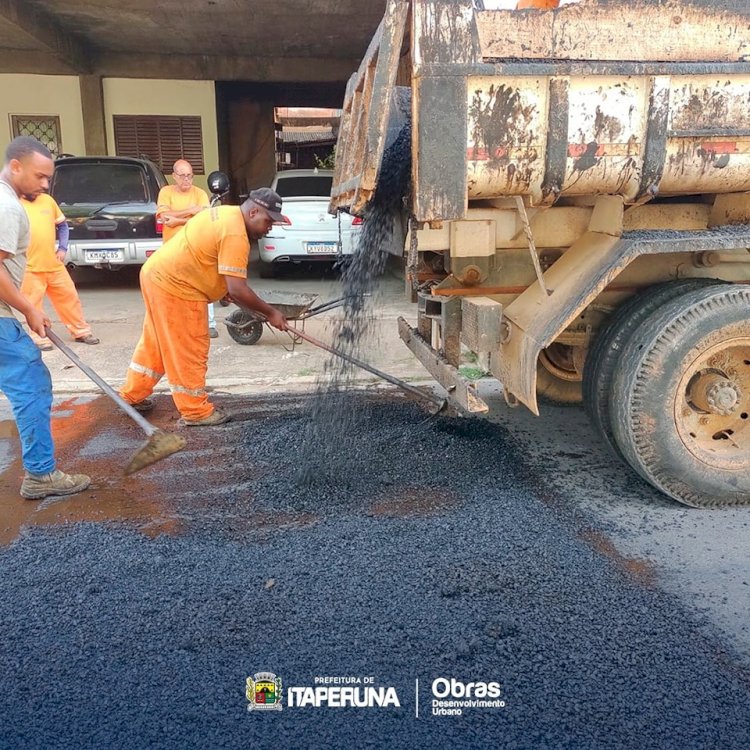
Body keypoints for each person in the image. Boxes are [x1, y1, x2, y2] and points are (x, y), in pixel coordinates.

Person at [119, 187, 289, 426]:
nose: (269, 227)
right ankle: (195, 411)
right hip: (178, 287)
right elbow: (238, 289)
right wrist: (271, 313)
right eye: (268, 221)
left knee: (157, 342)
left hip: (156, 274)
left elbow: (215, 267)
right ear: (253, 212)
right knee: (189, 347)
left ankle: (131, 395)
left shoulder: (224, 213)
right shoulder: (235, 234)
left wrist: (222, 290)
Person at [0, 136, 90, 499]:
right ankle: (40, 474)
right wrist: (27, 308)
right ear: (16, 166)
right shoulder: (7, 207)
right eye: (39, 176)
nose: (44, 185)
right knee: (31, 383)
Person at [20, 191, 99, 351]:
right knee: (33, 304)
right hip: (29, 267)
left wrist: (62, 248)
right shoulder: (14, 203)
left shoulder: (48, 200)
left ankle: (80, 331)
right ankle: (39, 336)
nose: (42, 185)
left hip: (54, 263)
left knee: (69, 297)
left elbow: (62, 226)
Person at [156, 159, 219, 338]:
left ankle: (210, 324)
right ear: (174, 176)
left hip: (196, 248)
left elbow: (205, 218)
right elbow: (164, 216)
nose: (187, 179)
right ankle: (176, 325)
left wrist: (178, 220)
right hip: (172, 251)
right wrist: (190, 211)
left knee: (203, 285)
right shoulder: (165, 192)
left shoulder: (200, 193)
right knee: (173, 288)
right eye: (183, 176)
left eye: (190, 175)